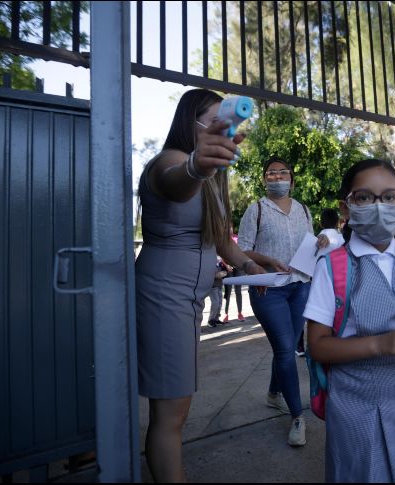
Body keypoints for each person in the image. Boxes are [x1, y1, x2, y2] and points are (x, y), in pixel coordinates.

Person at [135, 89, 266, 483]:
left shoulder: (214, 174)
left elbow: (220, 238)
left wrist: (250, 263)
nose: (221, 126)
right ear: (189, 122)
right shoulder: (171, 162)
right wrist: (196, 166)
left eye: (225, 118)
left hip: (188, 299)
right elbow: (176, 181)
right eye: (212, 118)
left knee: (176, 409)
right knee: (171, 413)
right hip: (163, 294)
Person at [304, 159, 395, 483]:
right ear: (346, 207)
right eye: (365, 197)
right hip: (354, 406)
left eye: (389, 197)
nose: (379, 206)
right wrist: (382, 343)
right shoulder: (332, 268)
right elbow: (318, 347)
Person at [237, 156, 314, 447]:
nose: (278, 177)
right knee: (285, 350)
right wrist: (267, 260)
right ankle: (297, 416)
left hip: (300, 286)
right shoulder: (256, 209)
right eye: (271, 173)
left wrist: (320, 242)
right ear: (264, 179)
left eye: (283, 172)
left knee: (287, 347)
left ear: (292, 178)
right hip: (268, 289)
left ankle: (273, 393)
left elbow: (310, 242)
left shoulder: (303, 209)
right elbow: (242, 249)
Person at [295, 208, 345, 357]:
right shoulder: (343, 239)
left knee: (313, 318)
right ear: (337, 222)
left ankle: (300, 347)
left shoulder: (316, 239)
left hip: (316, 285)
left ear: (321, 222)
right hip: (340, 285)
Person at [222, 233, 245, 323]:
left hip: (238, 268)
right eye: (228, 227)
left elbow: (241, 253)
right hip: (229, 268)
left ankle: (240, 313)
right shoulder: (223, 239)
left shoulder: (237, 238)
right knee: (228, 292)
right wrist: (227, 265)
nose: (229, 229)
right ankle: (226, 314)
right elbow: (222, 255)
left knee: (238, 292)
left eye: (230, 227)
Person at [206, 256, 231, 328]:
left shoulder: (219, 265)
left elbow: (226, 271)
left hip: (219, 285)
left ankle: (216, 319)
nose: (219, 259)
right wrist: (218, 275)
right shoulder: (210, 265)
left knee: (220, 303)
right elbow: (211, 275)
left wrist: (225, 271)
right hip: (213, 287)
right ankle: (210, 320)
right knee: (215, 303)